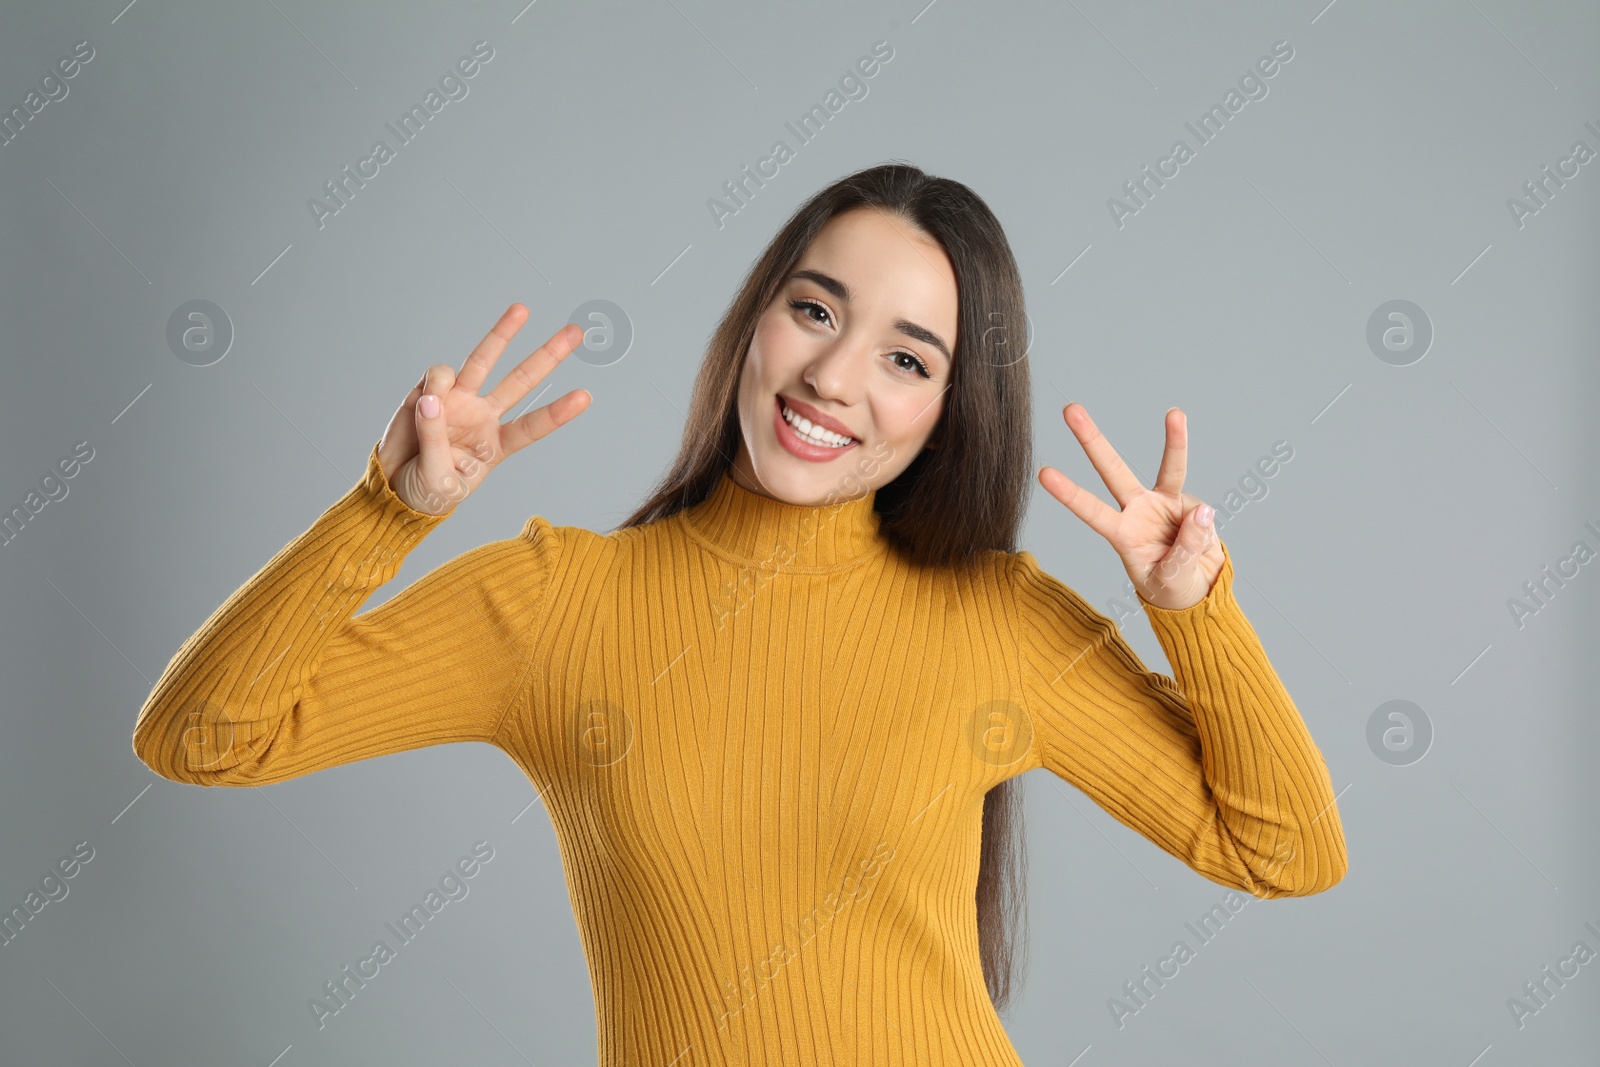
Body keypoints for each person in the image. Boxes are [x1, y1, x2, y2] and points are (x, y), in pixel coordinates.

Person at [133, 162, 1347, 1065]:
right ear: (754, 319)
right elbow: (201, 736)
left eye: (907, 358)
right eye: (816, 311)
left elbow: (1284, 852)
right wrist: (383, 513)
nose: (832, 377)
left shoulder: (997, 618)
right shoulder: (558, 601)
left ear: (948, 409)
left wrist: (1198, 611)